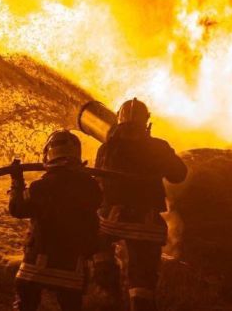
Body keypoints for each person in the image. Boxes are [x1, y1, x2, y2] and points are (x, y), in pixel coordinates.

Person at [92, 98, 188, 311]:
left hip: (111, 220)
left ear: (119, 120)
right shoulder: (158, 147)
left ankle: (108, 291)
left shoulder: (106, 148)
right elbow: (178, 175)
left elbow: (100, 184)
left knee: (96, 242)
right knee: (142, 281)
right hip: (147, 223)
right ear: (146, 121)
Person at [9, 130, 102, 311]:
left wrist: (16, 181)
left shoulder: (39, 187)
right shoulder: (91, 187)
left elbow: (17, 209)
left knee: (25, 304)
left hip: (36, 265)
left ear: (48, 155)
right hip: (72, 267)